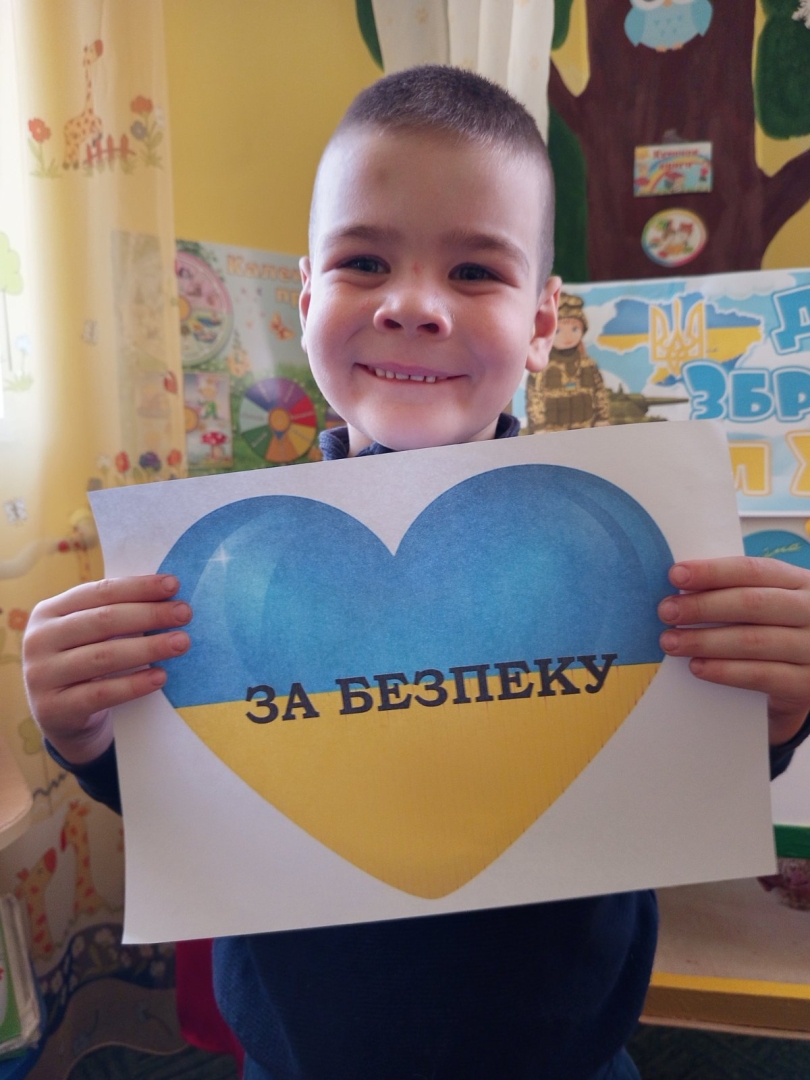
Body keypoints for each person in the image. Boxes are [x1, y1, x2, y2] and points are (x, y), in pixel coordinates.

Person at [22, 66, 810, 1080]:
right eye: (363, 261)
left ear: (541, 325)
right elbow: (205, 790)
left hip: (560, 1056)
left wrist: (775, 712)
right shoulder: (231, 566)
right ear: (307, 296)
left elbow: (670, 768)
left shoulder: (610, 550)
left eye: (475, 272)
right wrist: (85, 734)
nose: (413, 305)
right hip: (305, 1055)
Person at [525, 291, 611, 432]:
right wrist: (538, 427)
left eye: (574, 329)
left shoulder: (588, 364)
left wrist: (602, 418)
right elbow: (535, 398)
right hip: (553, 432)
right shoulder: (542, 367)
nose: (567, 336)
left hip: (586, 428)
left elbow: (600, 393)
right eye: (558, 331)